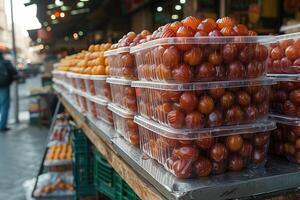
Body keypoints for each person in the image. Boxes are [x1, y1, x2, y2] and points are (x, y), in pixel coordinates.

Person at [0, 52, 18, 132]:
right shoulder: (5, 62)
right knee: (4, 105)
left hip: (3, 85)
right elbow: (14, 72)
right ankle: (2, 126)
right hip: (4, 85)